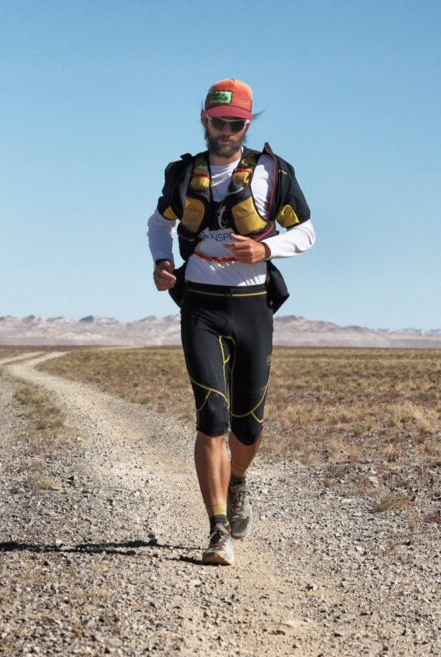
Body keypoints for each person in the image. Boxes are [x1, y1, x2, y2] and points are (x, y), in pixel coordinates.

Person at [147, 79, 316, 565]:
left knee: (248, 423)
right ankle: (217, 529)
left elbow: (306, 232)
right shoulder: (183, 174)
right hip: (199, 302)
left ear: (247, 124)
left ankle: (237, 480)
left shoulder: (273, 173)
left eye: (235, 124)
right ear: (204, 119)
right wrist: (162, 263)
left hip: (252, 305)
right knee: (212, 417)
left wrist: (266, 248)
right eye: (218, 122)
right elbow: (159, 224)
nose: (225, 131)